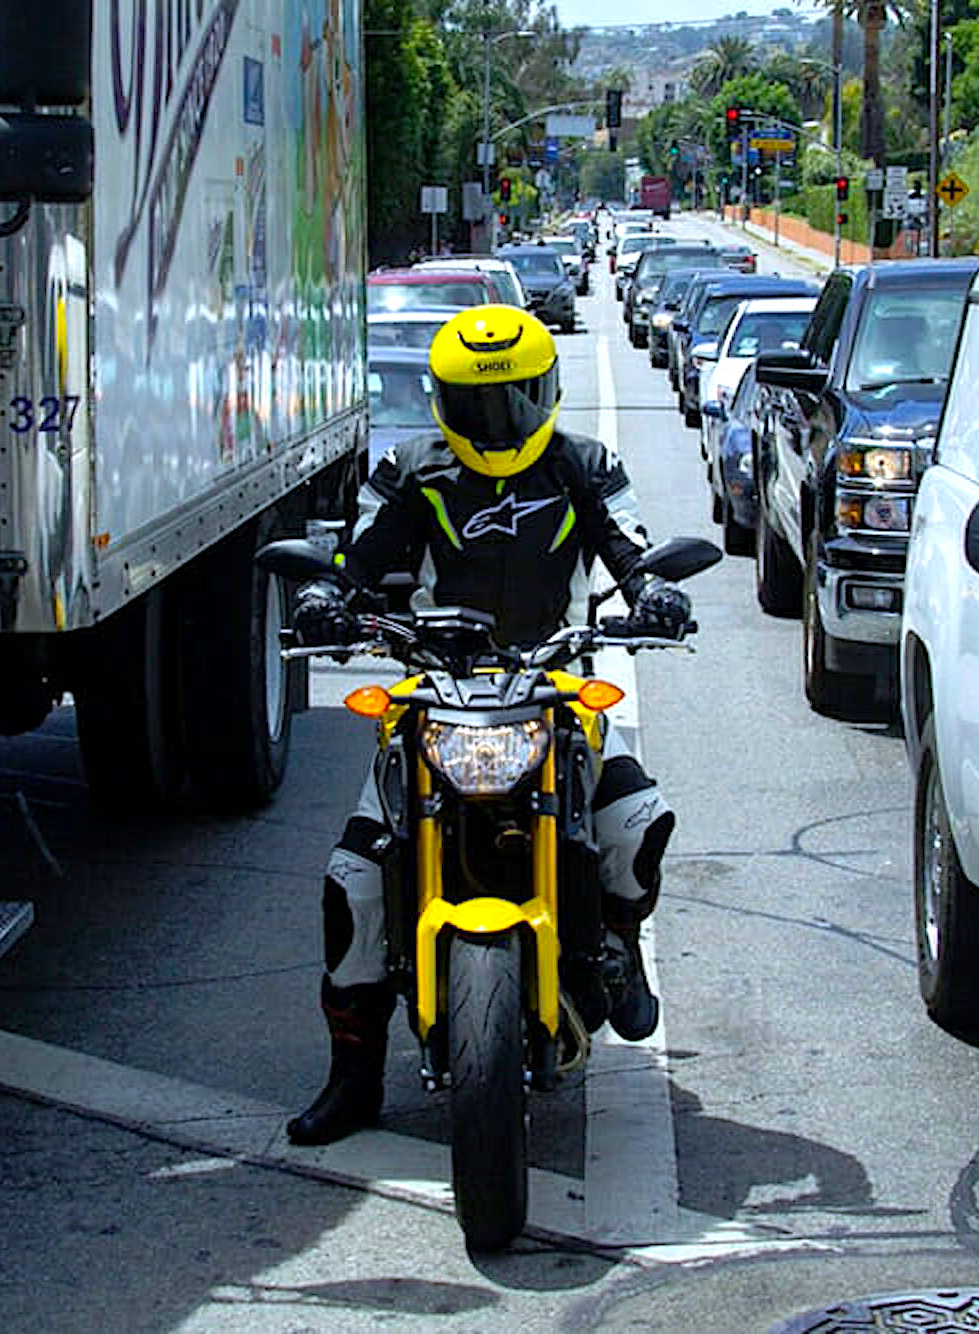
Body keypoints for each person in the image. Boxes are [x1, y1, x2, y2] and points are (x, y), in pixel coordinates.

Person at [285, 305, 692, 1147]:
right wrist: (329, 595)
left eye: (511, 401)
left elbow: (630, 544)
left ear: (544, 392)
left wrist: (653, 589)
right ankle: (353, 1079)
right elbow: (357, 554)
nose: (496, 421)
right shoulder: (411, 469)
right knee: (352, 884)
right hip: (435, 689)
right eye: (477, 405)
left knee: (634, 825)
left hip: (552, 686)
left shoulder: (585, 465)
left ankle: (621, 947)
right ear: (445, 403)